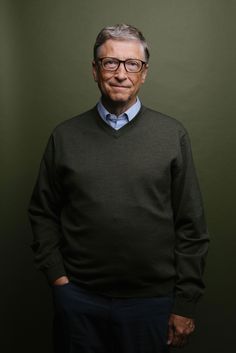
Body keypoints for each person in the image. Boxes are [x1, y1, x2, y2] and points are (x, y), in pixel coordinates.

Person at [28, 24, 209, 353]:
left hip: (152, 304)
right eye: (110, 63)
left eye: (132, 64)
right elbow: (42, 212)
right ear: (95, 71)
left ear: (144, 73)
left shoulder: (172, 135)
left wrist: (185, 303)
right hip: (80, 301)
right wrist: (59, 281)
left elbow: (191, 226)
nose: (120, 73)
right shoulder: (64, 136)